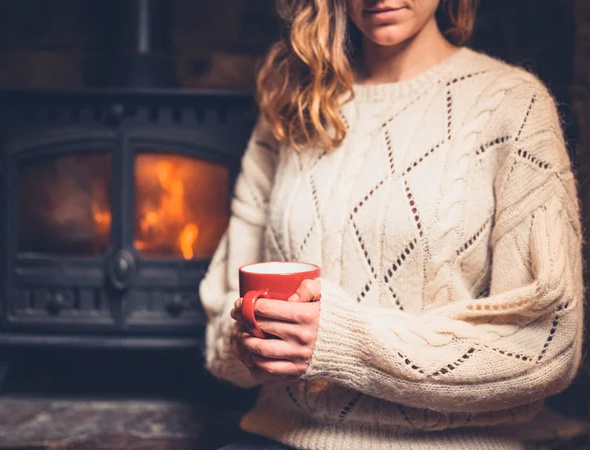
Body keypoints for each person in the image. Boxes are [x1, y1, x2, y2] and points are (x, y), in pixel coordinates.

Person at [199, 0, 585, 449]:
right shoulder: (294, 104)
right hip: (278, 437)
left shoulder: (513, 105)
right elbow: (221, 314)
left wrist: (347, 343)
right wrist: (251, 346)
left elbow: (545, 345)